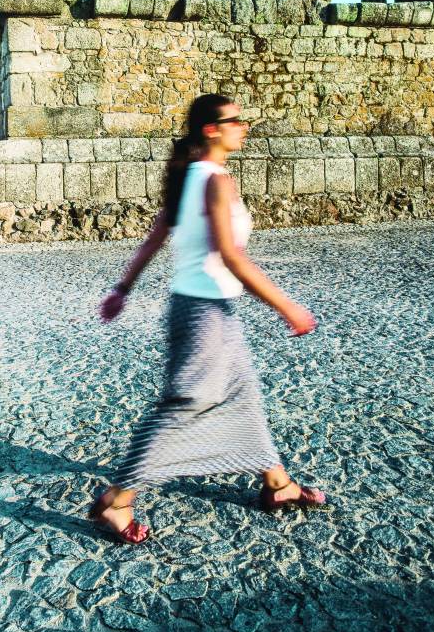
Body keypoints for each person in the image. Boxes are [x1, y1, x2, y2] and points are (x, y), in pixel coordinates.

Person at [90, 93, 326, 544]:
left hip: (201, 307)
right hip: (205, 313)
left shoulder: (187, 179)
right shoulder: (216, 180)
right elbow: (231, 256)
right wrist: (287, 306)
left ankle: (278, 484)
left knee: (243, 396)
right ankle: (116, 500)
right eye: (235, 121)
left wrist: (123, 289)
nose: (244, 126)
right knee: (184, 406)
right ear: (211, 130)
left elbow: (153, 241)